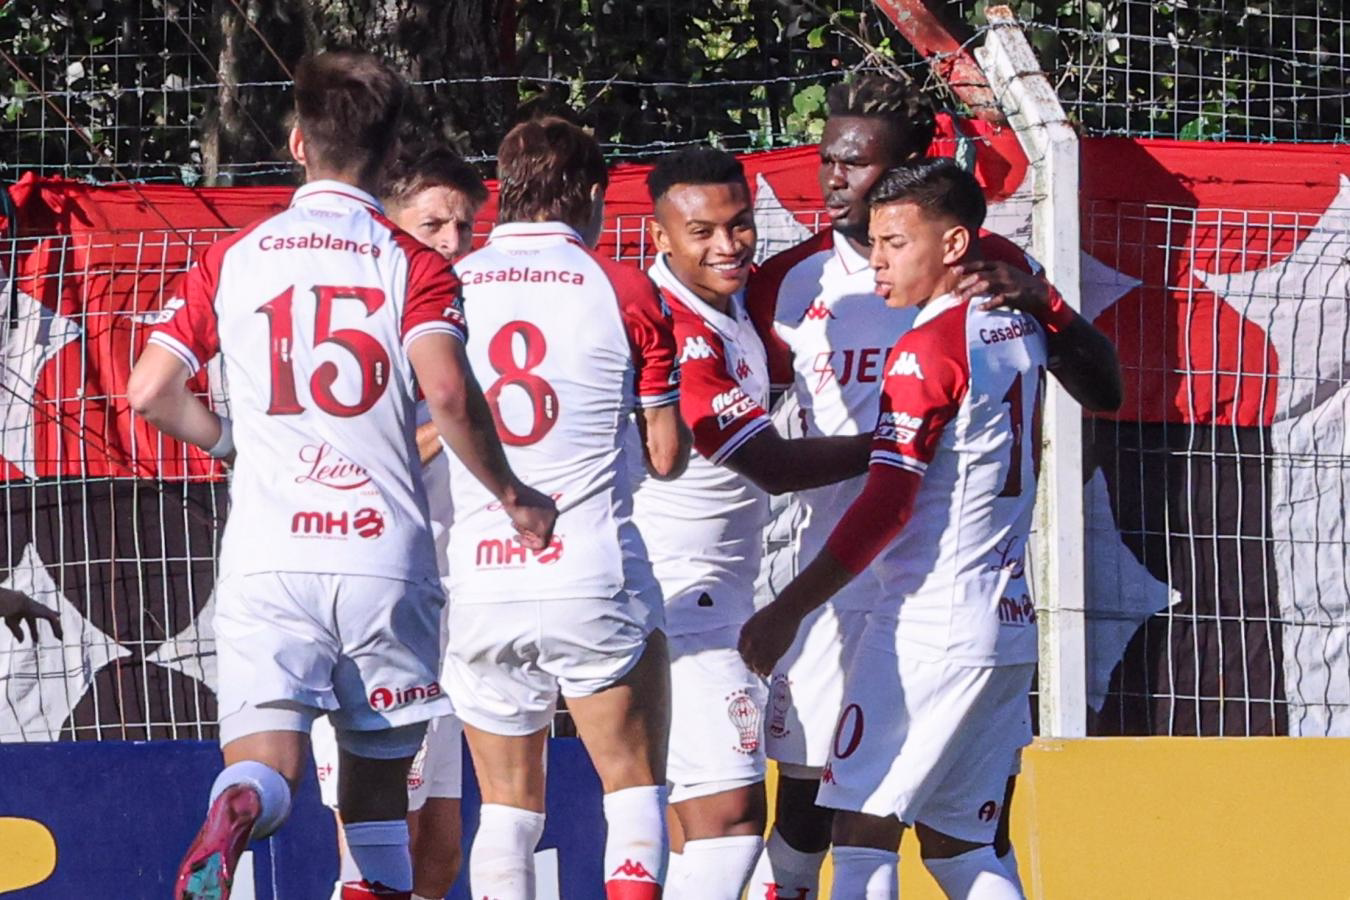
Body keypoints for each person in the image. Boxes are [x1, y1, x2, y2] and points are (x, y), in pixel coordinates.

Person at [127, 51, 555, 900]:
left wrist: (230, 445)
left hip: (269, 555)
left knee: (268, 769)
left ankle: (239, 806)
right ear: (393, 154)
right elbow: (444, 390)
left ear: (296, 143)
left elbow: (149, 392)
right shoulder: (414, 263)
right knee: (375, 808)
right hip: (380, 559)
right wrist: (512, 494)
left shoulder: (236, 259)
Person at [746, 74, 1123, 899]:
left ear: (914, 176)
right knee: (857, 826)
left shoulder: (990, 281)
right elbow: (747, 427)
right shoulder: (788, 281)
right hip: (866, 592)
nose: (836, 180)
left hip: (911, 597)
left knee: (865, 825)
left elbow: (1101, 389)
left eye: (860, 166)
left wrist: (1052, 309)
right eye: (826, 160)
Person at [440, 116, 687, 900]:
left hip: (482, 579)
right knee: (634, 790)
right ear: (587, 193)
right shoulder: (622, 287)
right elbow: (666, 455)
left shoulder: (449, 282)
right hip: (587, 566)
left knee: (508, 812)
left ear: (500, 191)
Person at [633, 147, 871, 900]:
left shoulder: (733, 306)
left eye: (740, 226)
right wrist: (898, 446)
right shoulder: (676, 331)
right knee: (735, 818)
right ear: (660, 236)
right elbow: (770, 464)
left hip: (718, 590)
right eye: (702, 232)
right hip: (684, 595)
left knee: (699, 817)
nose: (728, 246)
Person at [309, 141, 490, 900]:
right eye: (433, 225)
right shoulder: (364, 330)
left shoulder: (456, 323)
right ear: (388, 222)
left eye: (464, 227)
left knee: (444, 848)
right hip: (376, 611)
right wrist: (455, 419)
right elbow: (345, 459)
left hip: (454, 613)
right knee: (385, 844)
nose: (451, 243)